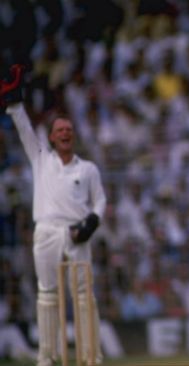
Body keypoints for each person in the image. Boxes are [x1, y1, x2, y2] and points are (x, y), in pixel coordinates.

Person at [2, 65, 106, 366]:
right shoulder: (40, 158)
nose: (64, 134)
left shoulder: (87, 168)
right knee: (47, 295)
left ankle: (92, 356)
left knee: (84, 296)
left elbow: (100, 201)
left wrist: (91, 223)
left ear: (73, 137)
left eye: (69, 131)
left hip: (76, 232)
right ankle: (47, 357)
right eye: (59, 130)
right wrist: (15, 104)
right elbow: (24, 130)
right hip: (46, 231)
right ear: (50, 136)